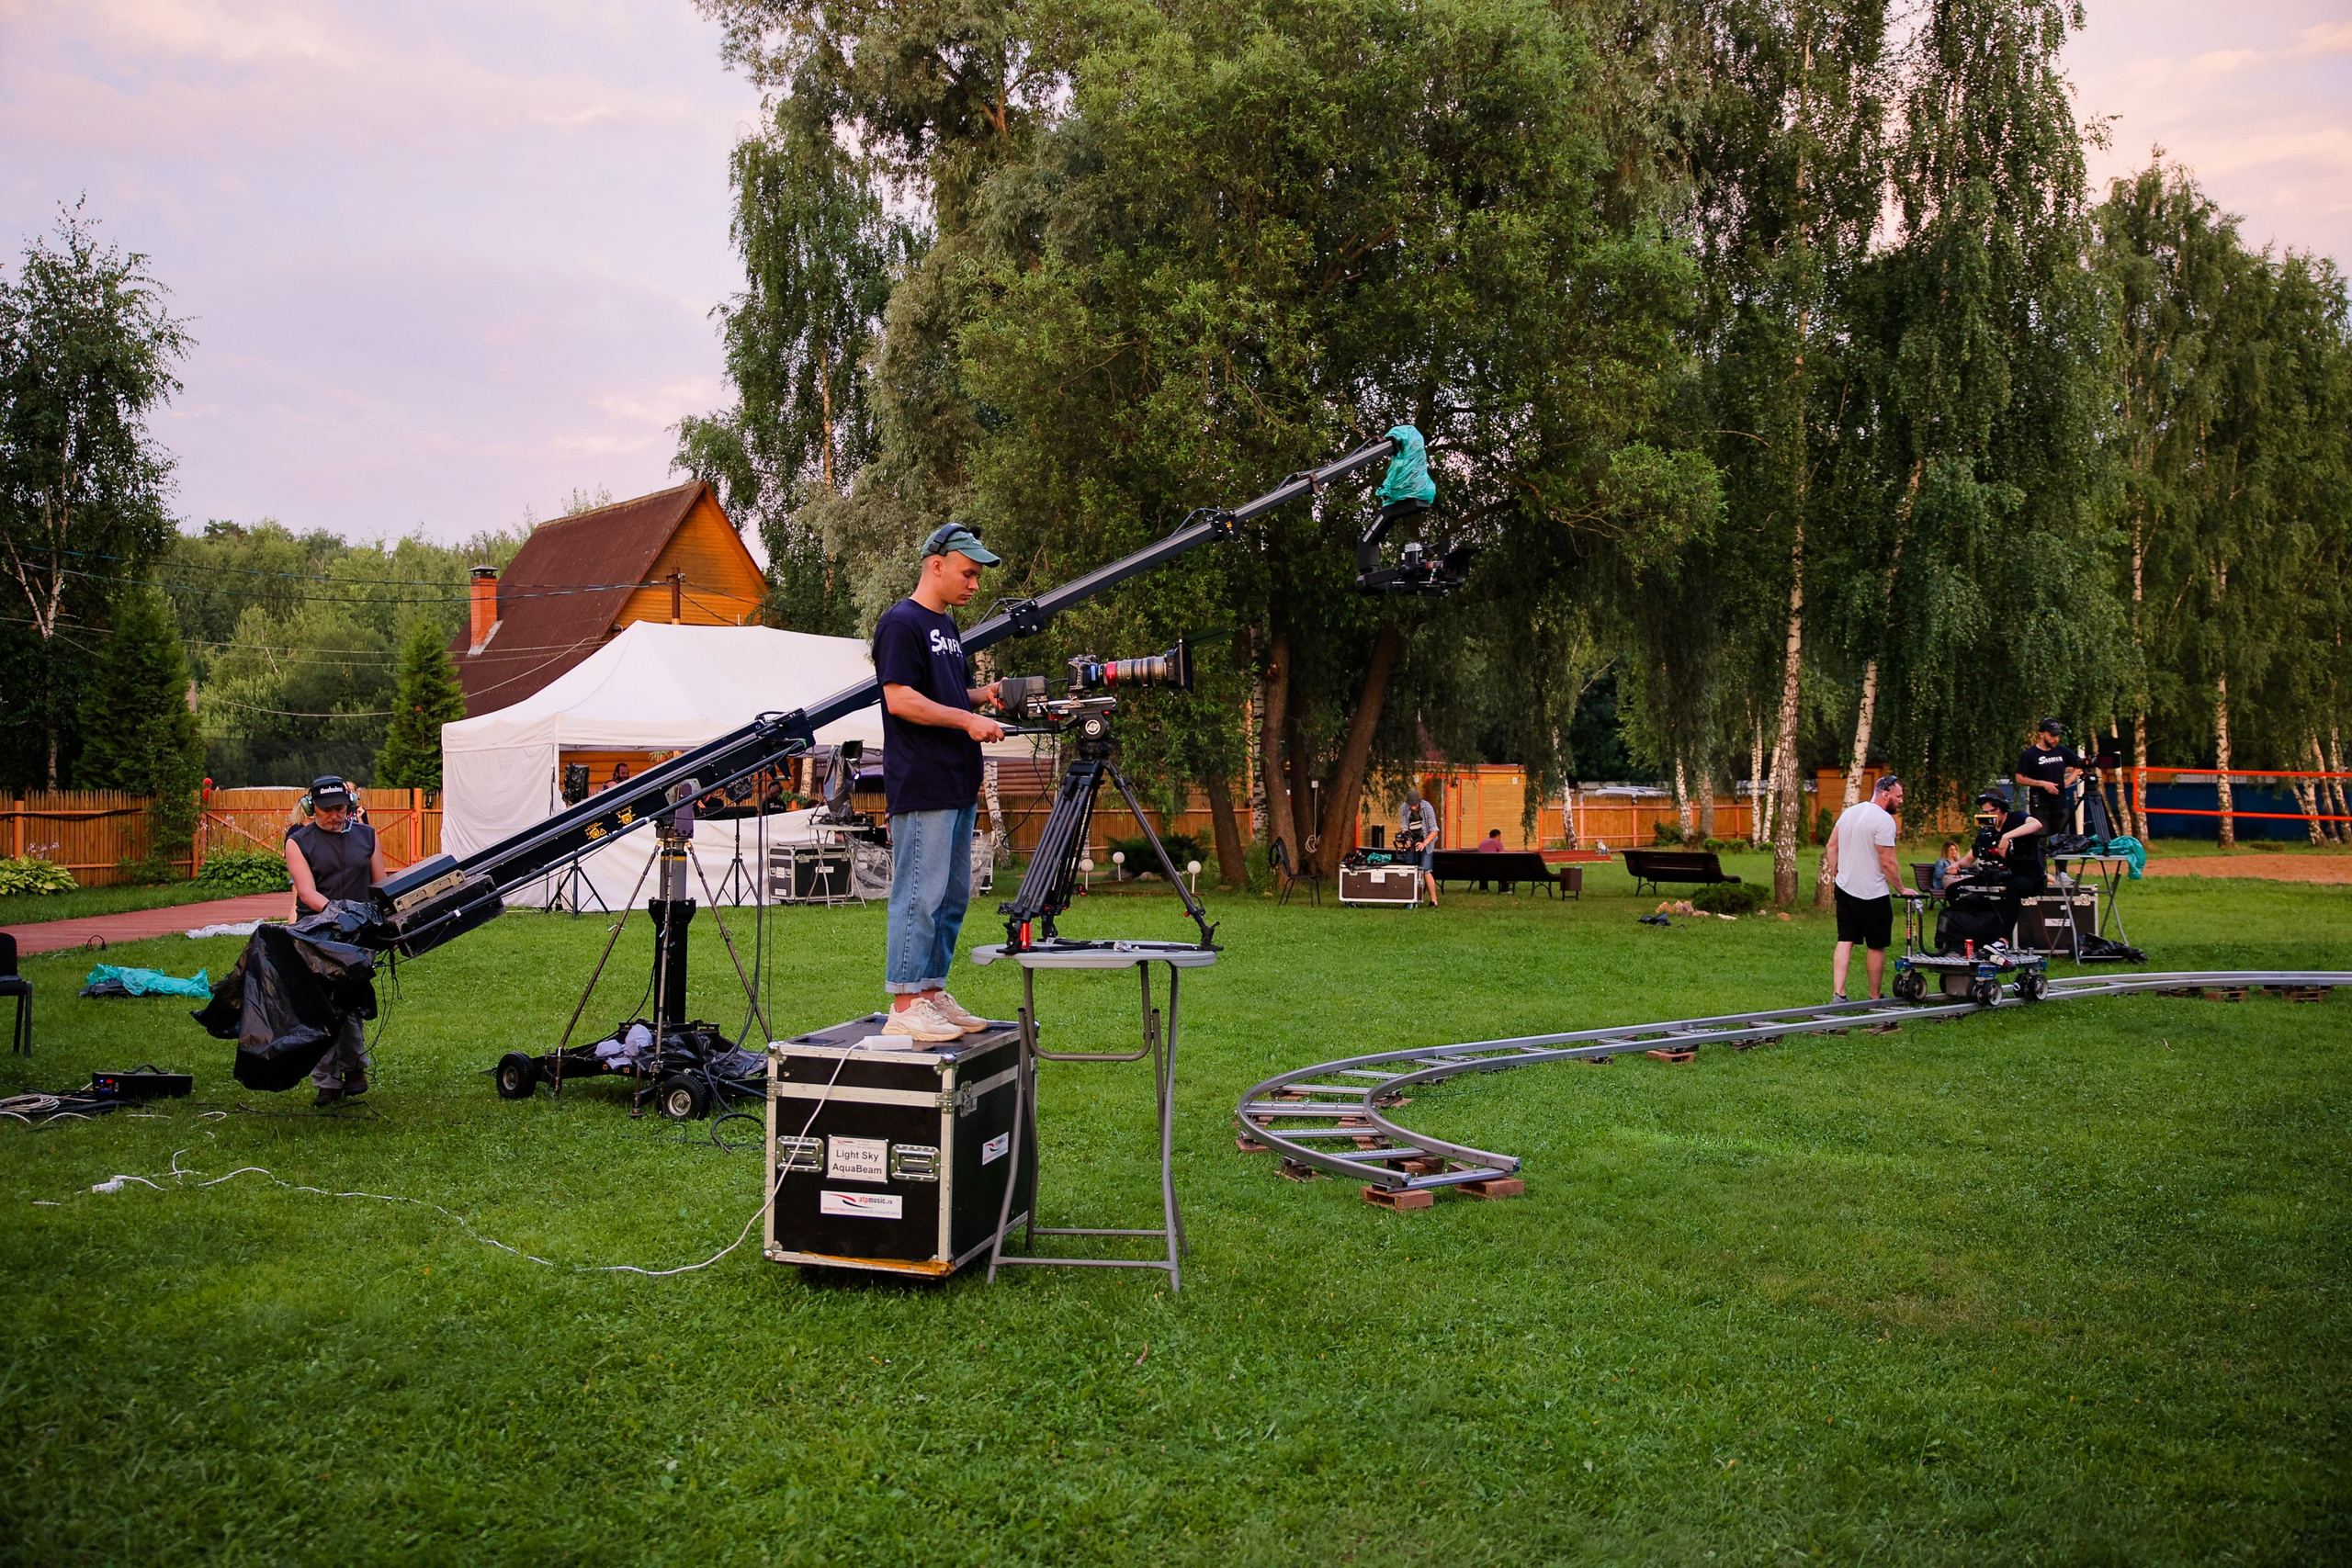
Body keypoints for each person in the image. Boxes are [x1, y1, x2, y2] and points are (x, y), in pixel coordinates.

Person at [872, 523, 1005, 1042]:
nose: (974, 585)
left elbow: (944, 694)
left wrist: (980, 695)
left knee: (952, 897)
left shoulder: (946, 628)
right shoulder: (900, 623)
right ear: (937, 565)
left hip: (957, 780)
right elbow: (900, 698)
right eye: (968, 573)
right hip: (923, 781)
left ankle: (930, 991)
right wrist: (967, 722)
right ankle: (905, 1001)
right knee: (918, 895)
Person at [284, 775, 389, 1105]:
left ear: (351, 806)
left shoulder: (368, 837)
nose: (334, 815)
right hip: (316, 931)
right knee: (321, 1004)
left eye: (340, 808)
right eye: (326, 809)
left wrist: (381, 920)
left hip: (358, 932)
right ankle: (326, 1081)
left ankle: (355, 1067)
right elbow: (307, 892)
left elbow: (380, 886)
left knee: (351, 999)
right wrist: (337, 913)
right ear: (311, 808)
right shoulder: (298, 841)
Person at [1819, 773, 1917, 1004]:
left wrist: (1837, 872)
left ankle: (1839, 994)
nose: (1901, 801)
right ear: (1885, 795)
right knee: (1876, 945)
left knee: (1846, 939)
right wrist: (1902, 889)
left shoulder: (1850, 812)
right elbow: (1888, 862)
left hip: (1844, 887)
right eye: (1899, 796)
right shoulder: (1884, 821)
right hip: (1871, 892)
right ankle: (1874, 996)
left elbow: (1831, 845)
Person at [2015, 717, 2083, 838]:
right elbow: (2020, 778)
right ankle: (2042, 856)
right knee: (2040, 838)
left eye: (2058, 736)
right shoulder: (2030, 754)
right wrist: (2042, 783)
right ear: (2042, 734)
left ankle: (2061, 856)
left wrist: (2070, 779)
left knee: (2063, 839)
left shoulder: (2062, 750)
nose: (2055, 739)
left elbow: (2080, 764)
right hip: (2040, 804)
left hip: (2061, 802)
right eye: (2052, 735)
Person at [1398, 786, 1441, 908]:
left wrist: (1424, 843)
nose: (1412, 807)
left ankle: (1434, 901)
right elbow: (1404, 825)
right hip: (1412, 839)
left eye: (1414, 805)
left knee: (1426, 870)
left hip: (1426, 840)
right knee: (1410, 869)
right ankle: (1410, 898)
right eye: (1410, 805)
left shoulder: (1427, 808)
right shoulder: (1404, 808)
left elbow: (1434, 831)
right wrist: (1406, 839)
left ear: (1419, 802)